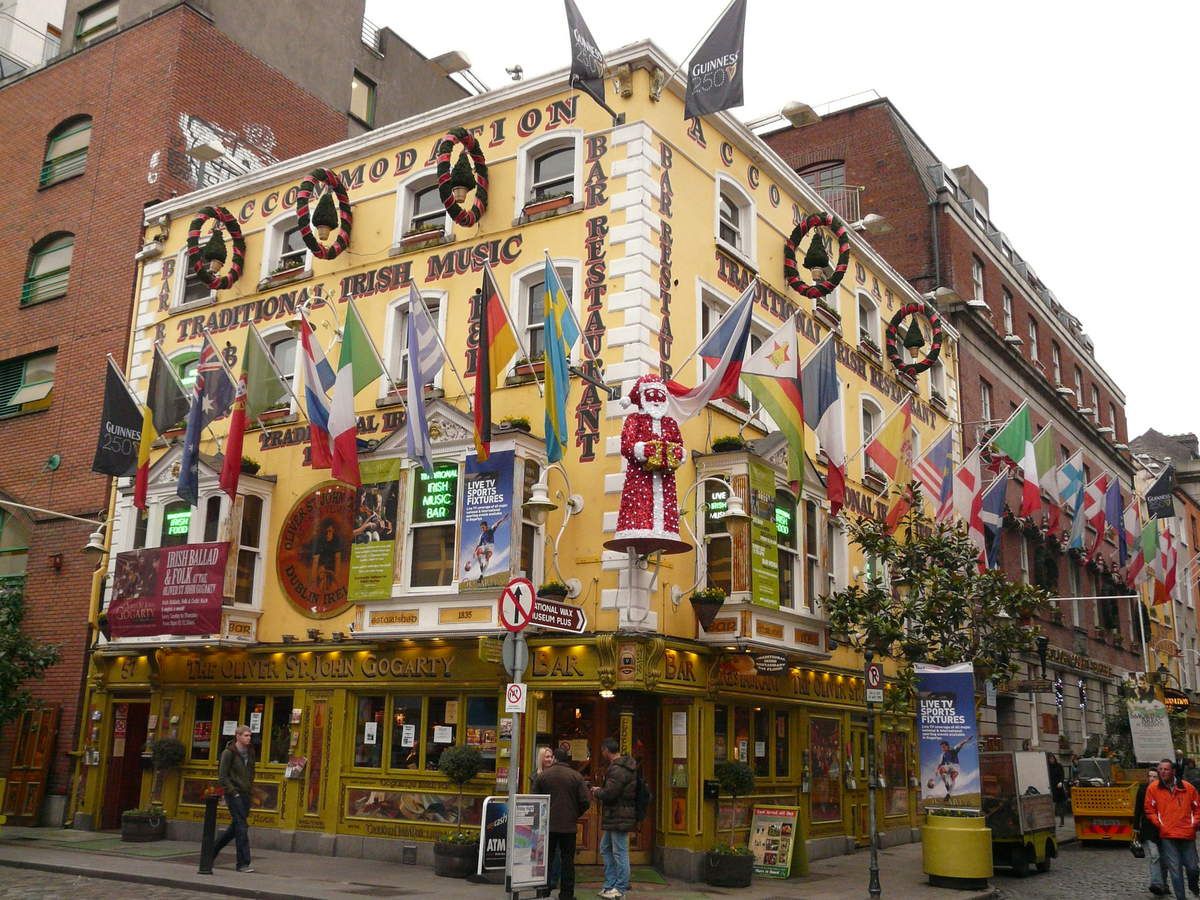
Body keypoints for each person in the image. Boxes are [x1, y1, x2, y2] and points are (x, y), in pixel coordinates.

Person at [533, 747, 590, 900]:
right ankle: (566, 894)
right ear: (567, 760)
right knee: (567, 862)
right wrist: (574, 814)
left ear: (555, 759)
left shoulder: (543, 776)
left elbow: (535, 799)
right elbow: (585, 801)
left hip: (548, 826)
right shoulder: (576, 776)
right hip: (569, 827)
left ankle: (543, 891)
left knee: (547, 860)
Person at [1144, 757, 1200, 900]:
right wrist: (1159, 823)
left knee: (1193, 868)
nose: (1163, 772)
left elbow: (1197, 808)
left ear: (1173, 771)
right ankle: (1181, 898)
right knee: (1175, 872)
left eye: (1166, 769)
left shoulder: (1188, 788)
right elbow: (1149, 809)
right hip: (1168, 835)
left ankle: (1194, 886)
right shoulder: (1153, 788)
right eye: (1160, 769)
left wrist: (1194, 823)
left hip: (1187, 834)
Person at [591, 737, 638, 900]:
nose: (602, 753)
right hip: (618, 816)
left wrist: (597, 791)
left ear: (605, 750)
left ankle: (620, 888)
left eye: (602, 751)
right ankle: (610, 884)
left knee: (620, 852)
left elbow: (610, 793)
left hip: (619, 816)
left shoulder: (617, 769)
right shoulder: (624, 766)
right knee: (606, 848)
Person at [213, 724, 255, 873]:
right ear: (237, 736)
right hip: (234, 794)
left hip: (245, 794)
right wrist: (233, 792)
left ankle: (210, 853)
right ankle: (243, 863)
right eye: (245, 735)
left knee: (235, 827)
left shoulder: (250, 752)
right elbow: (222, 776)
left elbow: (251, 772)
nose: (248, 738)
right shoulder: (228, 753)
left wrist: (249, 789)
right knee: (242, 827)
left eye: (250, 735)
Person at [1135, 767, 1169, 896]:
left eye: (1154, 776)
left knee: (1164, 859)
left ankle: (1164, 884)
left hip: (1163, 829)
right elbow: (1137, 809)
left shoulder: (1164, 789)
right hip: (1148, 829)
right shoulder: (1143, 789)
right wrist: (1135, 828)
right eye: (1150, 776)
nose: (1152, 778)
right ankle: (1156, 883)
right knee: (1155, 856)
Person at [1047, 753, 1068, 826]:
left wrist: (1061, 782)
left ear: (1054, 758)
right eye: (1050, 759)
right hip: (1052, 787)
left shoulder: (1059, 766)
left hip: (1059, 788)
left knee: (1060, 806)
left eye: (1052, 758)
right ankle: (1052, 822)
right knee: (1052, 806)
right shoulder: (1048, 767)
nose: (1051, 760)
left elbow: (1062, 775)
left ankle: (1062, 821)